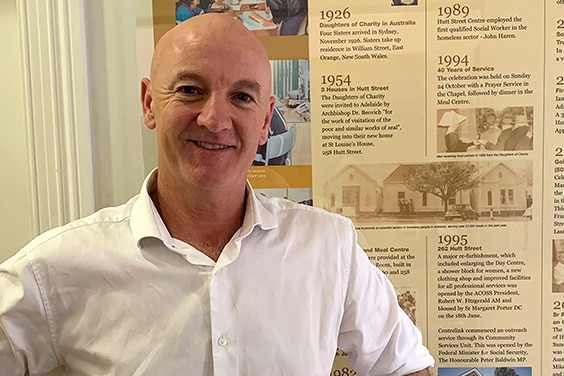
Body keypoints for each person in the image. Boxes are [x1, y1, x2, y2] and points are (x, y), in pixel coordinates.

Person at [0, 14, 434, 375]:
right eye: (190, 90)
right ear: (150, 102)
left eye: (241, 97)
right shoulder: (58, 267)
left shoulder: (327, 246)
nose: (214, 119)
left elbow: (405, 364)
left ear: (265, 121)